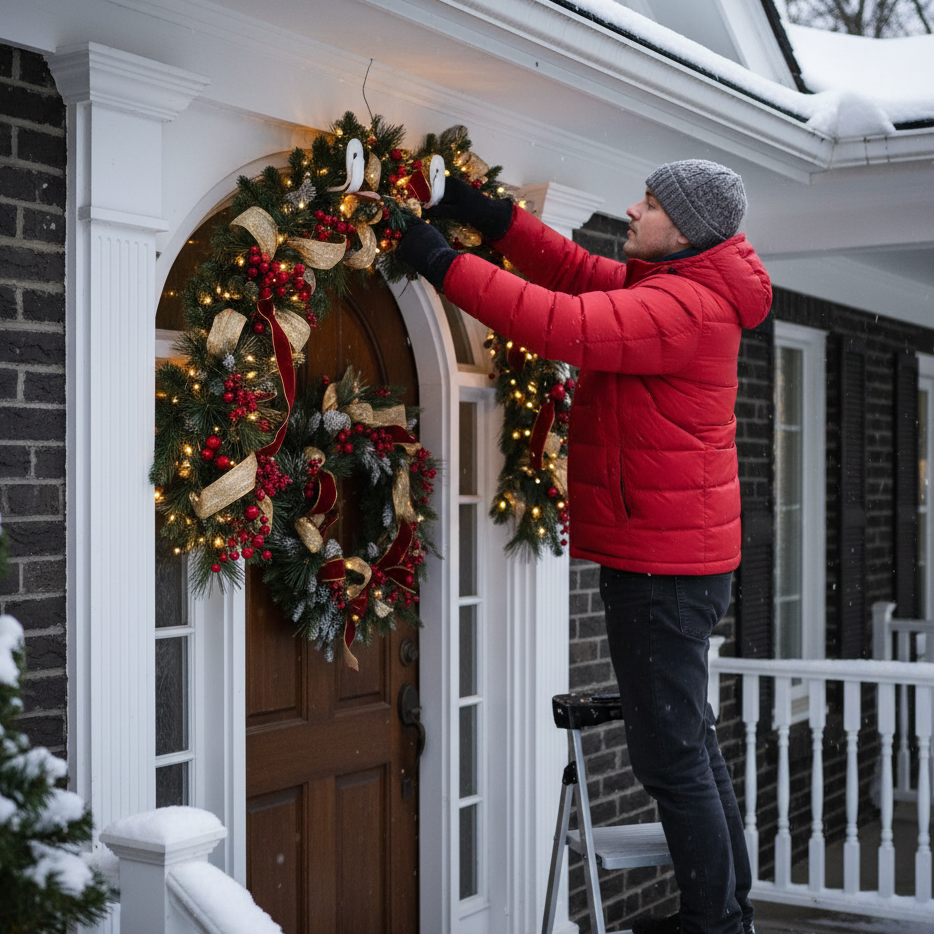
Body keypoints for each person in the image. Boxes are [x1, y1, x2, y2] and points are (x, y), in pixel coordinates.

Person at [398, 159, 770, 934]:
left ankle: (714, 922)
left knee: (670, 757)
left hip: (663, 568)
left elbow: (558, 323)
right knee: (689, 744)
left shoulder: (683, 306)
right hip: (676, 560)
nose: (632, 209)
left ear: (687, 228)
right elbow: (570, 270)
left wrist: (438, 258)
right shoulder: (676, 289)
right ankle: (726, 911)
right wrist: (487, 216)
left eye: (651, 202)